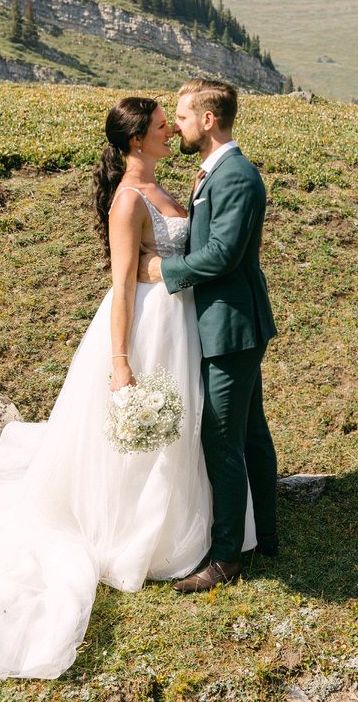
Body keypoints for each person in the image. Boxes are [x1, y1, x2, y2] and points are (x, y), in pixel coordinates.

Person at [0, 95, 251, 679]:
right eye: (163, 127)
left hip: (182, 323)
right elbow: (121, 288)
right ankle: (139, 528)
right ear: (137, 141)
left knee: (183, 427)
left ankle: (187, 516)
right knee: (143, 434)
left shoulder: (168, 187)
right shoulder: (127, 201)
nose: (172, 132)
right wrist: (120, 363)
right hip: (146, 329)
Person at [139, 78, 278, 593]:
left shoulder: (236, 176)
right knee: (249, 432)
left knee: (220, 436)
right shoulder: (213, 172)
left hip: (232, 327)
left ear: (207, 120)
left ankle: (225, 558)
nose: (173, 125)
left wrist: (163, 273)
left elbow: (223, 254)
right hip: (225, 323)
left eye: (179, 117)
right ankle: (264, 535)